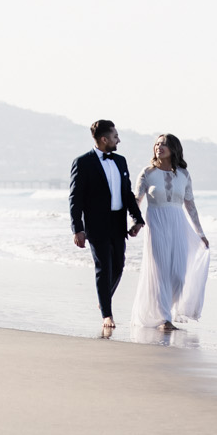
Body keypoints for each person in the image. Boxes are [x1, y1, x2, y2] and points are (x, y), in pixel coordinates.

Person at [68, 121, 145, 336]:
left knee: (119, 266)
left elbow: (127, 194)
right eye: (115, 136)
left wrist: (137, 218)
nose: (118, 140)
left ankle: (104, 301)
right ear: (104, 139)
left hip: (117, 222)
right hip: (96, 224)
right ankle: (107, 315)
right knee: (104, 267)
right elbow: (76, 198)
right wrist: (77, 228)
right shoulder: (83, 162)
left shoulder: (120, 161)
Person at [131, 133, 211, 333]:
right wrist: (136, 222)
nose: (159, 147)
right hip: (156, 224)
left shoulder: (183, 174)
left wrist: (200, 233)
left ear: (174, 148)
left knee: (178, 275)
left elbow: (191, 206)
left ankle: (167, 311)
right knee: (159, 272)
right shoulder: (148, 172)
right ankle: (164, 318)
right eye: (157, 144)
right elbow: (136, 202)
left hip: (178, 225)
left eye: (164, 144)